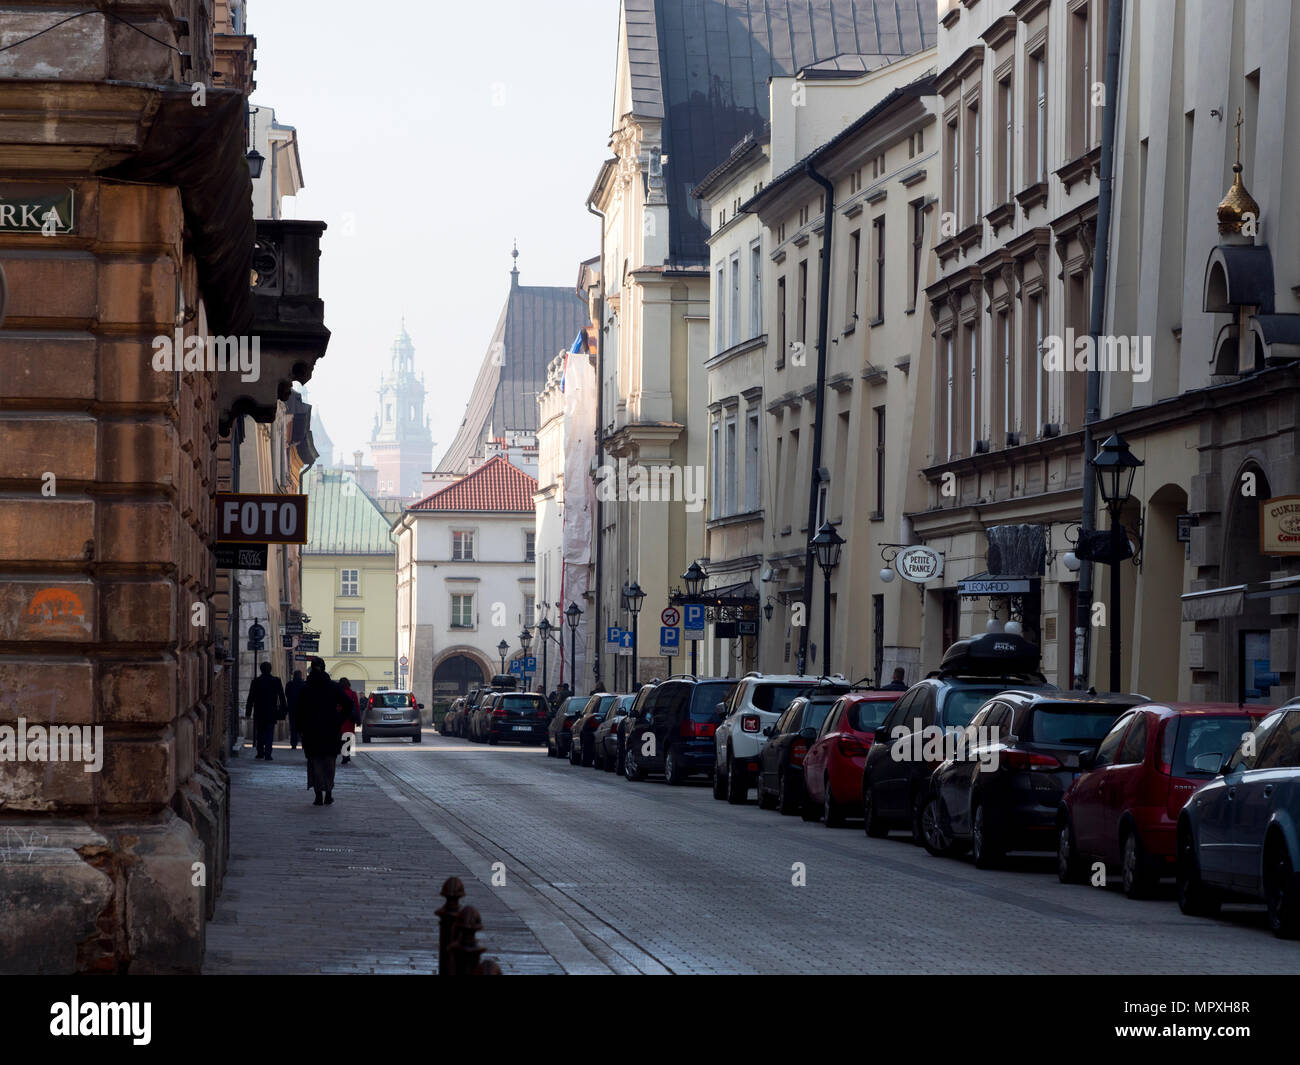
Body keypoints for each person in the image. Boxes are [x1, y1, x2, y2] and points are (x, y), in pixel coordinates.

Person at [295, 658, 347, 805]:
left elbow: (298, 711)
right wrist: (339, 719)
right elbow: (348, 704)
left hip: (311, 732)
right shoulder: (333, 687)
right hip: (330, 730)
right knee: (329, 763)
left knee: (314, 763)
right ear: (324, 668)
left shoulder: (306, 688)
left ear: (311, 668)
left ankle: (318, 795)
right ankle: (328, 793)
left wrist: (301, 729)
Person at [245, 661, 286, 760]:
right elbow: (281, 697)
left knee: (260, 733)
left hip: (259, 711)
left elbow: (251, 698)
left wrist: (248, 712)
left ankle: (260, 752)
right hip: (271, 711)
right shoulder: (276, 681)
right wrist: (284, 710)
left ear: (261, 669)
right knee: (269, 733)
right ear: (270, 669)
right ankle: (268, 754)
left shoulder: (256, 681)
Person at [338, 677, 360, 765]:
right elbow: (357, 706)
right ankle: (347, 754)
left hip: (341, 717)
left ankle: (345, 755)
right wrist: (358, 718)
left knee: (342, 737)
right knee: (349, 737)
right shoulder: (352, 693)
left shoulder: (338, 693)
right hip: (350, 718)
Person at [285, 669, 305, 749]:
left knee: (293, 726)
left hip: (292, 708)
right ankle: (304, 744)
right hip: (302, 709)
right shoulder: (304, 684)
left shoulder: (289, 684)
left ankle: (293, 744)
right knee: (303, 727)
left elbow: (287, 694)